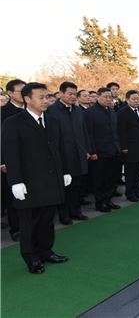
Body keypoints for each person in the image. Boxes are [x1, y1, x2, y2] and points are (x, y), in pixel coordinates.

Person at [4, 82, 71, 274]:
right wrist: (15, 181)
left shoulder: (52, 121)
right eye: (41, 97)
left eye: (47, 96)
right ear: (27, 99)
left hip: (51, 181)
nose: (46, 100)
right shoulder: (14, 123)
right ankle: (31, 257)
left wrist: (64, 171)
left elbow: (59, 149)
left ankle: (46, 251)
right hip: (29, 183)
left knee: (47, 220)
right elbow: (11, 154)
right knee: (29, 223)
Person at [46, 81, 91, 224]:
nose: (73, 97)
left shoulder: (78, 110)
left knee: (77, 185)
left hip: (78, 154)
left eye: (74, 94)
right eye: (70, 94)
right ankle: (64, 215)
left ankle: (76, 211)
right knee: (65, 186)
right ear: (61, 94)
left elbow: (84, 132)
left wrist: (87, 150)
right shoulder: (51, 111)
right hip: (62, 155)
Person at [84, 87, 121, 212]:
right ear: (98, 97)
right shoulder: (90, 112)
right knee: (99, 179)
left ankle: (108, 200)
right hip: (99, 152)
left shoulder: (111, 111)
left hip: (113, 150)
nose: (108, 99)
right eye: (105, 97)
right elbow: (88, 133)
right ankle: (100, 203)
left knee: (111, 178)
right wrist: (92, 151)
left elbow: (115, 131)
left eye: (110, 97)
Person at [1, 79, 26, 241]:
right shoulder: (3, 112)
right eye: (20, 91)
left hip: (30, 161)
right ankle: (15, 228)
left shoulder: (32, 111)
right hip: (9, 162)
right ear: (10, 93)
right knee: (13, 196)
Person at [117, 90, 139, 202]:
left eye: (137, 98)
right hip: (130, 147)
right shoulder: (122, 112)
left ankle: (137, 191)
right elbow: (121, 131)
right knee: (130, 172)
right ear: (127, 100)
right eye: (134, 99)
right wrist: (124, 147)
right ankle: (130, 193)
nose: (136, 101)